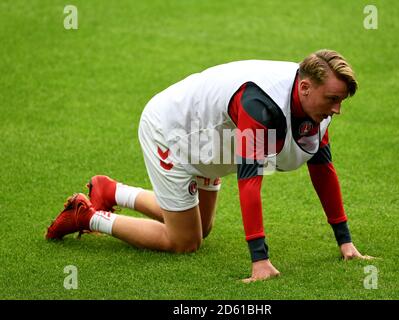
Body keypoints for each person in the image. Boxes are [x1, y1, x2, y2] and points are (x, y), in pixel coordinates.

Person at [46, 49, 373, 283]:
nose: (338, 109)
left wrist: (345, 242)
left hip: (212, 144)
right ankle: (88, 215)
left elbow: (322, 171)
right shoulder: (262, 107)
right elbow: (250, 182)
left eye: (341, 100)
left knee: (202, 227)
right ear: (305, 88)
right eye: (333, 99)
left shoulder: (315, 105)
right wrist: (260, 260)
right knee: (185, 242)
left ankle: (112, 190)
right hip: (174, 134)